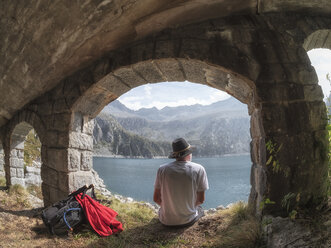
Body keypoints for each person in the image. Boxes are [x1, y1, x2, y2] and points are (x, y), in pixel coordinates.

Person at [153, 138, 209, 227]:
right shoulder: (199, 169)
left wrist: (170, 208)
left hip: (166, 221)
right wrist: (186, 208)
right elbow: (201, 200)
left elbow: (156, 199)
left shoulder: (162, 169)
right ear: (188, 154)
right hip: (188, 220)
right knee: (200, 210)